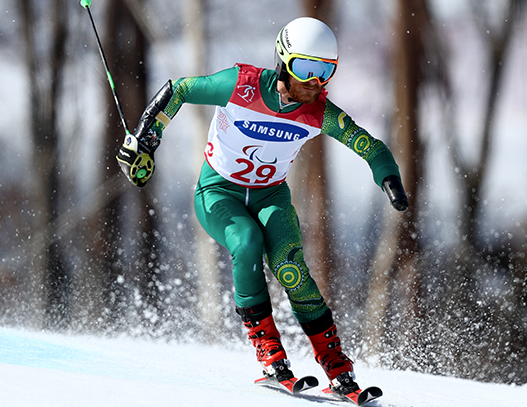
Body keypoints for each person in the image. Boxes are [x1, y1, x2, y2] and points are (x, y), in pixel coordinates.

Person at [116, 17, 408, 394]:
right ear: (284, 60)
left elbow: (371, 147)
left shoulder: (319, 110)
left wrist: (389, 178)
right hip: (218, 193)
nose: (314, 82)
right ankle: (270, 354)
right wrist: (146, 137)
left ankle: (336, 365)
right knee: (247, 241)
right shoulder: (242, 85)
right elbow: (182, 89)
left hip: (271, 196)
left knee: (291, 267)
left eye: (325, 72)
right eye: (306, 68)